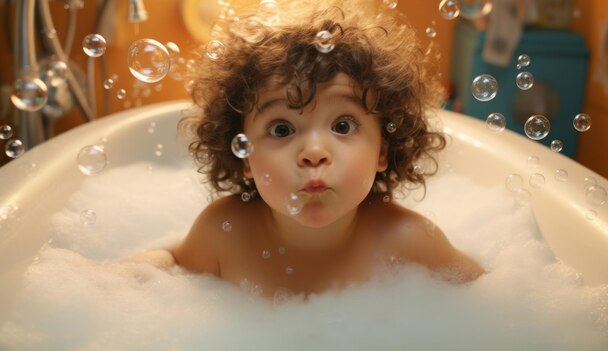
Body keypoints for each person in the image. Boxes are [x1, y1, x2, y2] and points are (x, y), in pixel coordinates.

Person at [127, 0, 484, 297]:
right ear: (244, 156)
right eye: (282, 129)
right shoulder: (224, 232)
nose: (314, 152)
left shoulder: (409, 242)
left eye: (342, 126)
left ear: (382, 150)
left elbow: (489, 298)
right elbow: (169, 267)